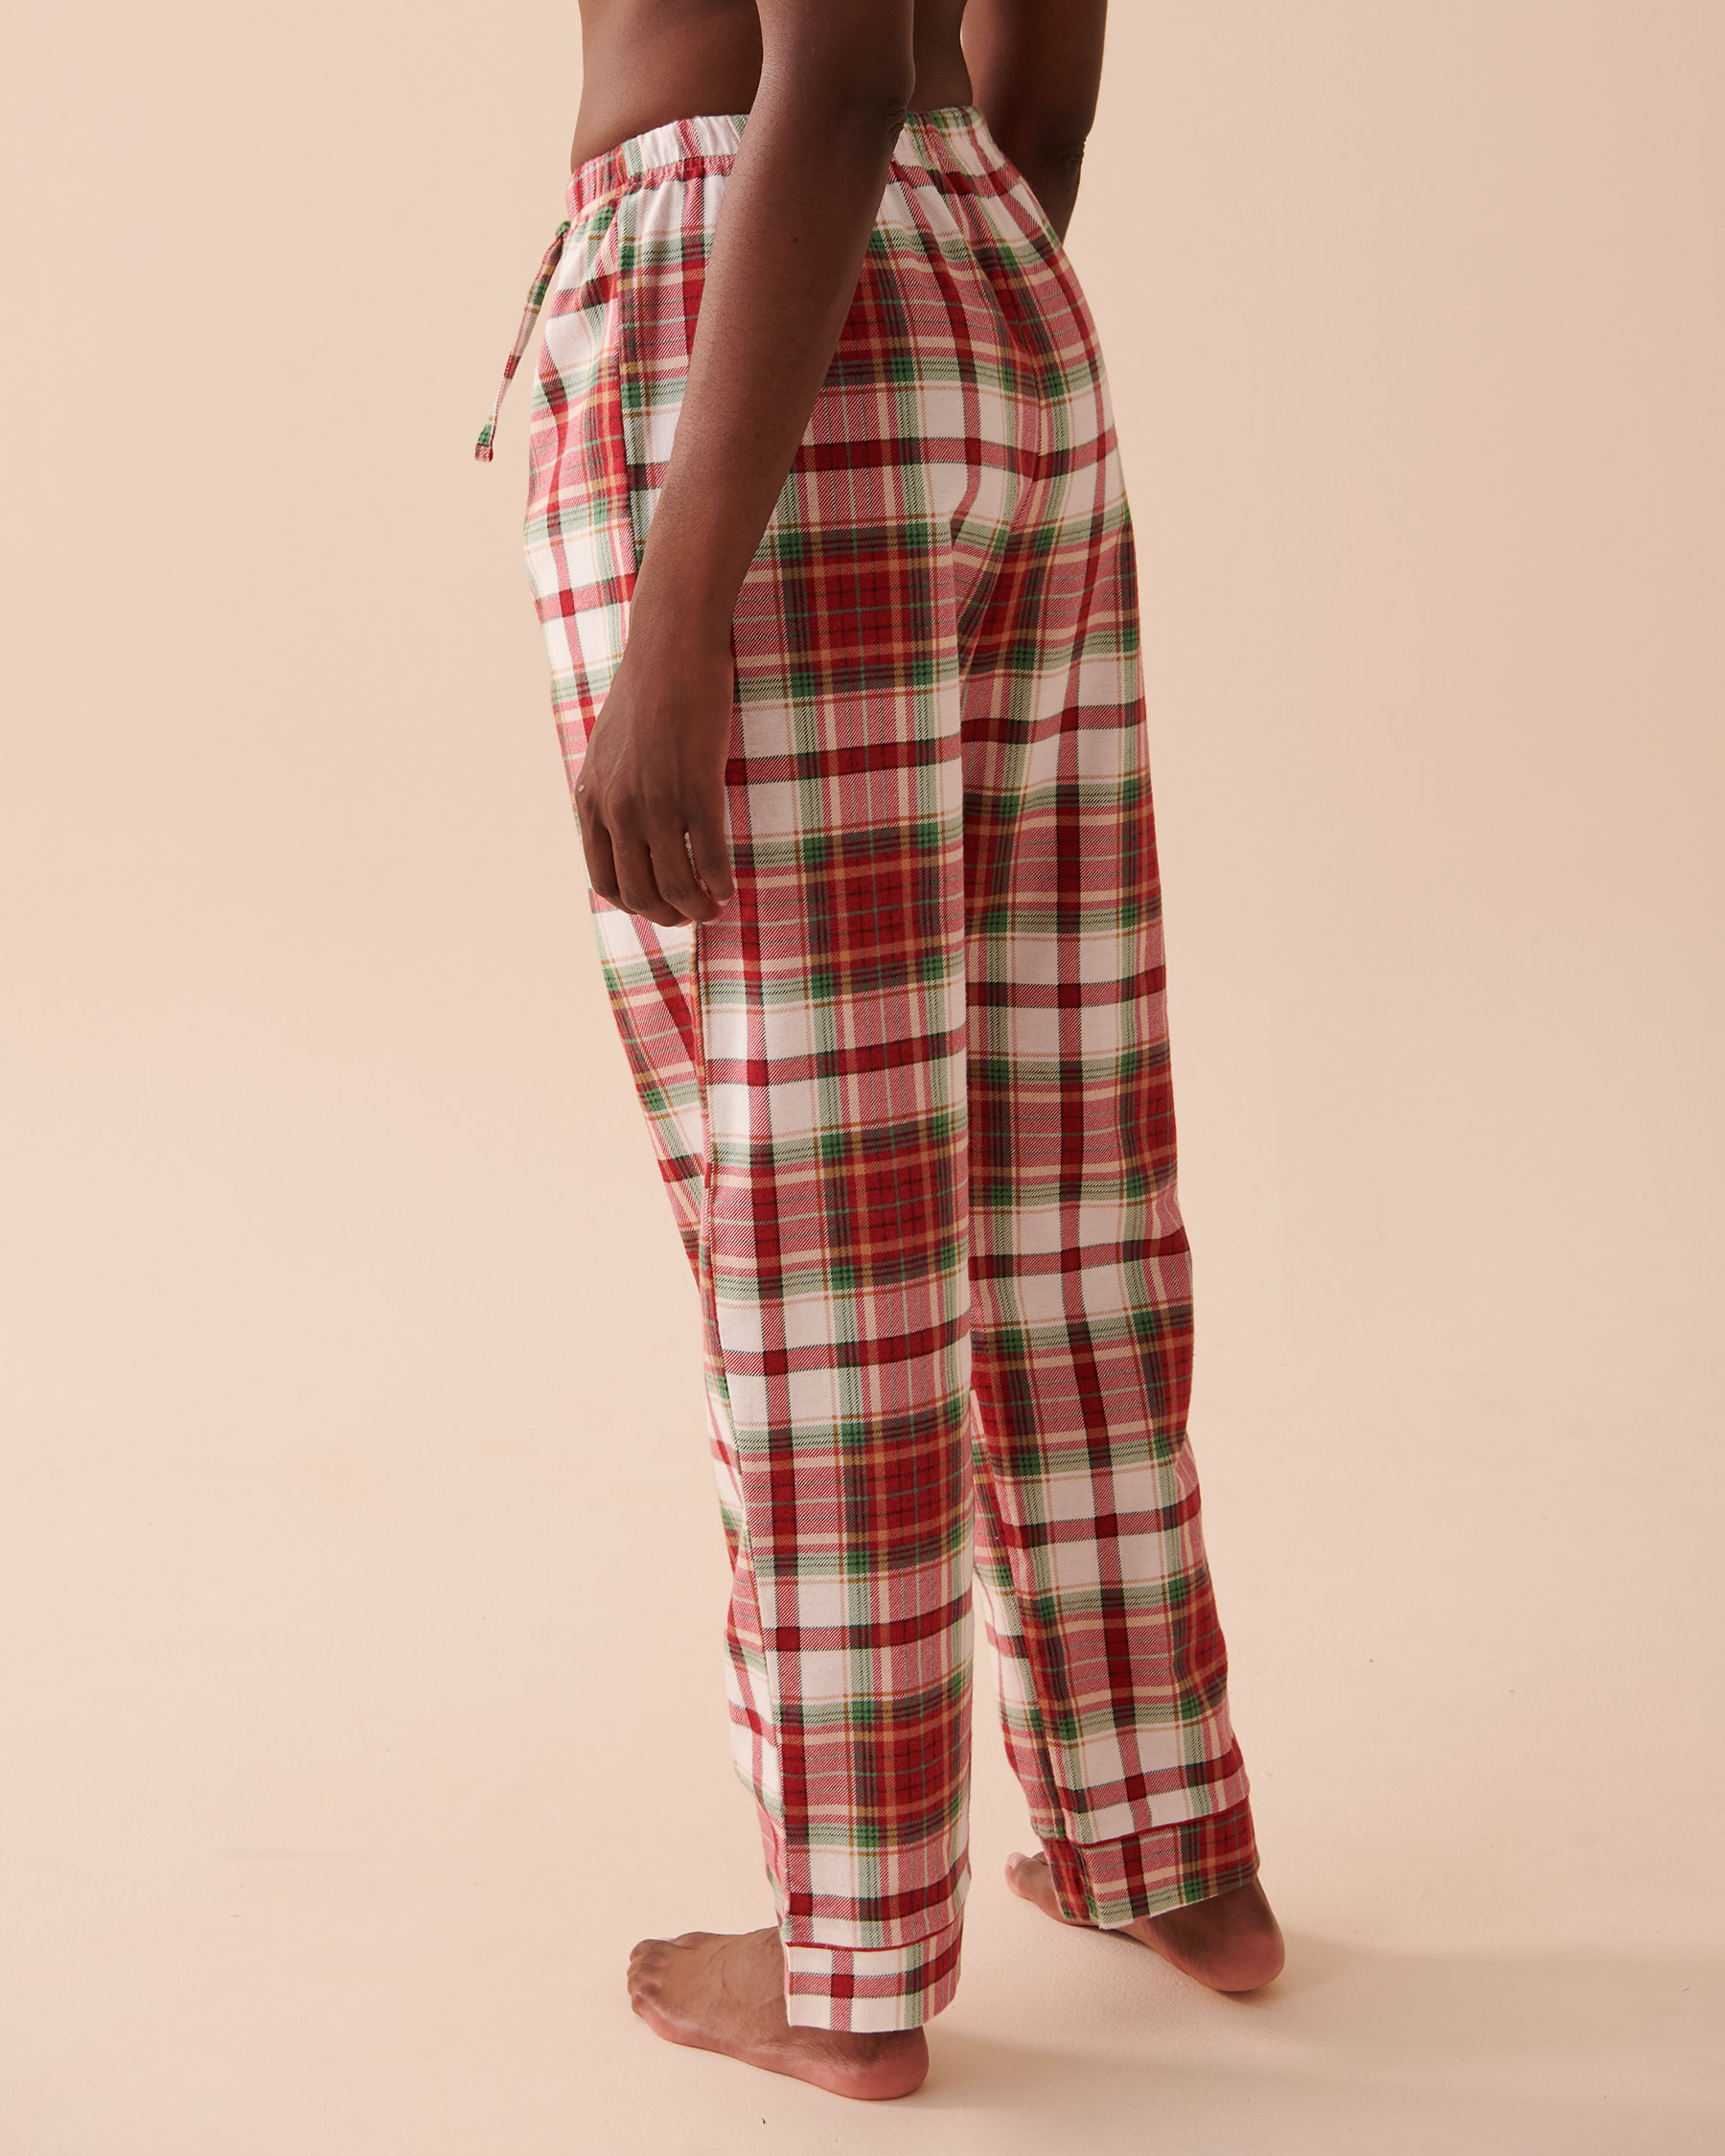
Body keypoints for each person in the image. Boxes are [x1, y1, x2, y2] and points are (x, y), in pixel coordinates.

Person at [478, 0, 1284, 2103]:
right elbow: (1044, 70)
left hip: (750, 283)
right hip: (986, 277)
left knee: (826, 1205)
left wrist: (683, 606)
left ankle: (849, 1955)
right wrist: (934, 306)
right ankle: (1165, 1843)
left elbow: (822, 63)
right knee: (1059, 1166)